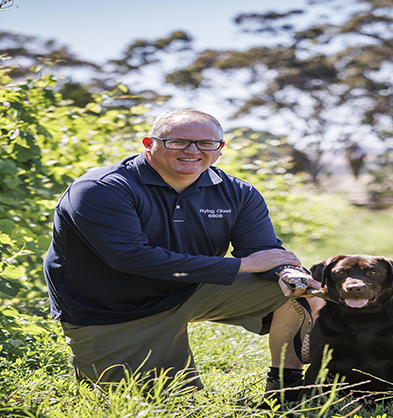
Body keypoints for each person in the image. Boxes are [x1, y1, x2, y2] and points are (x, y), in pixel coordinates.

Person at [44, 109, 319, 392]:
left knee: (299, 293)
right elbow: (130, 258)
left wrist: (288, 271)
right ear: (149, 144)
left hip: (190, 288)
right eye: (177, 141)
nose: (192, 150)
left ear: (219, 149)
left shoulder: (238, 192)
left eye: (206, 143)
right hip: (114, 310)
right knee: (158, 409)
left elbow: (262, 250)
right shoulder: (101, 188)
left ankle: (287, 390)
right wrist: (241, 265)